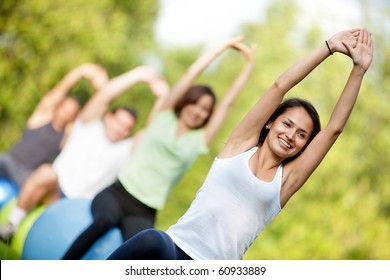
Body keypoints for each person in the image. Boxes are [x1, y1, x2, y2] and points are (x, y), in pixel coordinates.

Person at [107, 28, 374, 260]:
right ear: (270, 122)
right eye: (287, 124)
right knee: (153, 239)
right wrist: (327, 47)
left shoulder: (286, 181)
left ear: (304, 147)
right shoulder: (239, 145)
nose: (291, 135)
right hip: (173, 250)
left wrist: (359, 70)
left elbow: (333, 130)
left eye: (302, 135)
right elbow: (279, 86)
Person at [62, 35, 256, 259]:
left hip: (144, 211)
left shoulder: (199, 140)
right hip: (117, 193)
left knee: (145, 250)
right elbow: (189, 75)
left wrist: (248, 67)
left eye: (205, 109)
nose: (198, 111)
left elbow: (227, 104)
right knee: (103, 222)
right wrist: (218, 50)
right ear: (185, 102)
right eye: (195, 103)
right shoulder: (164, 115)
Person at [0, 65, 169, 241]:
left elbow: (153, 128)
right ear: (108, 117)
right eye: (118, 122)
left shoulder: (126, 149)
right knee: (45, 172)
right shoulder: (89, 125)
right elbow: (105, 95)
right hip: (54, 192)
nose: (120, 128)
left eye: (126, 128)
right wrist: (137, 75)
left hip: (80, 210)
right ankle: (11, 226)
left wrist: (162, 98)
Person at [0, 63, 107, 188]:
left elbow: (95, 110)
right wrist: (82, 71)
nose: (66, 114)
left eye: (70, 113)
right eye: (64, 109)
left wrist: (102, 87)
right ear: (57, 107)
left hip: (26, 175)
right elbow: (61, 89)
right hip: (9, 161)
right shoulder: (42, 117)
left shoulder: (67, 134)